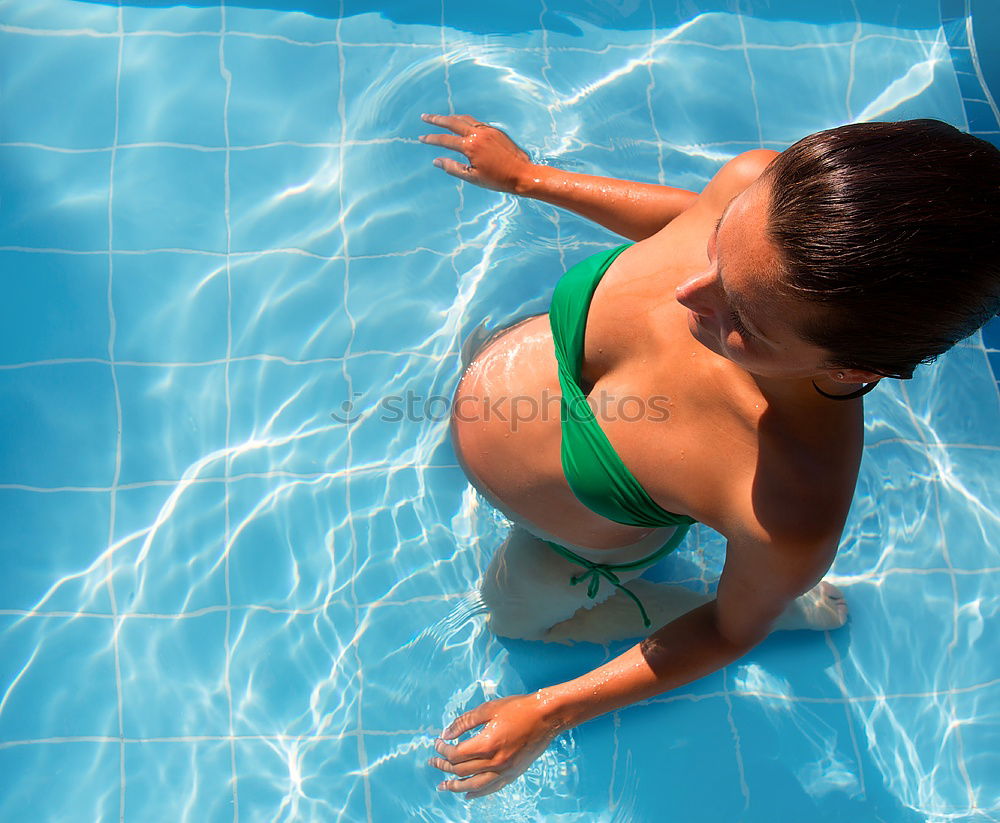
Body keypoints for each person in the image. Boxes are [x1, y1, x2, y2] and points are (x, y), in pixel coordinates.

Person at [418, 113, 1000, 799]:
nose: (688, 291)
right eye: (720, 246)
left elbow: (725, 631)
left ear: (853, 369)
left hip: (577, 544)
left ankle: (784, 607)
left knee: (510, 617)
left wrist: (549, 711)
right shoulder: (754, 183)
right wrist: (529, 179)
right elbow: (684, 217)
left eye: (744, 320)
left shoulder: (786, 499)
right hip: (525, 418)